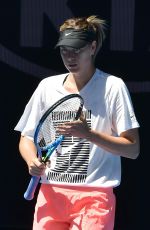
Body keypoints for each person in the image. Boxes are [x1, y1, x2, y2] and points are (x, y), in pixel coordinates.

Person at [14, 15, 140, 230]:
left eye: (77, 49)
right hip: (50, 193)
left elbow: (133, 149)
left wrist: (89, 134)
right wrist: (31, 161)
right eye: (65, 50)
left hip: (94, 197)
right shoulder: (47, 87)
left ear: (92, 48)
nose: (70, 56)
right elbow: (27, 138)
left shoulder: (113, 87)